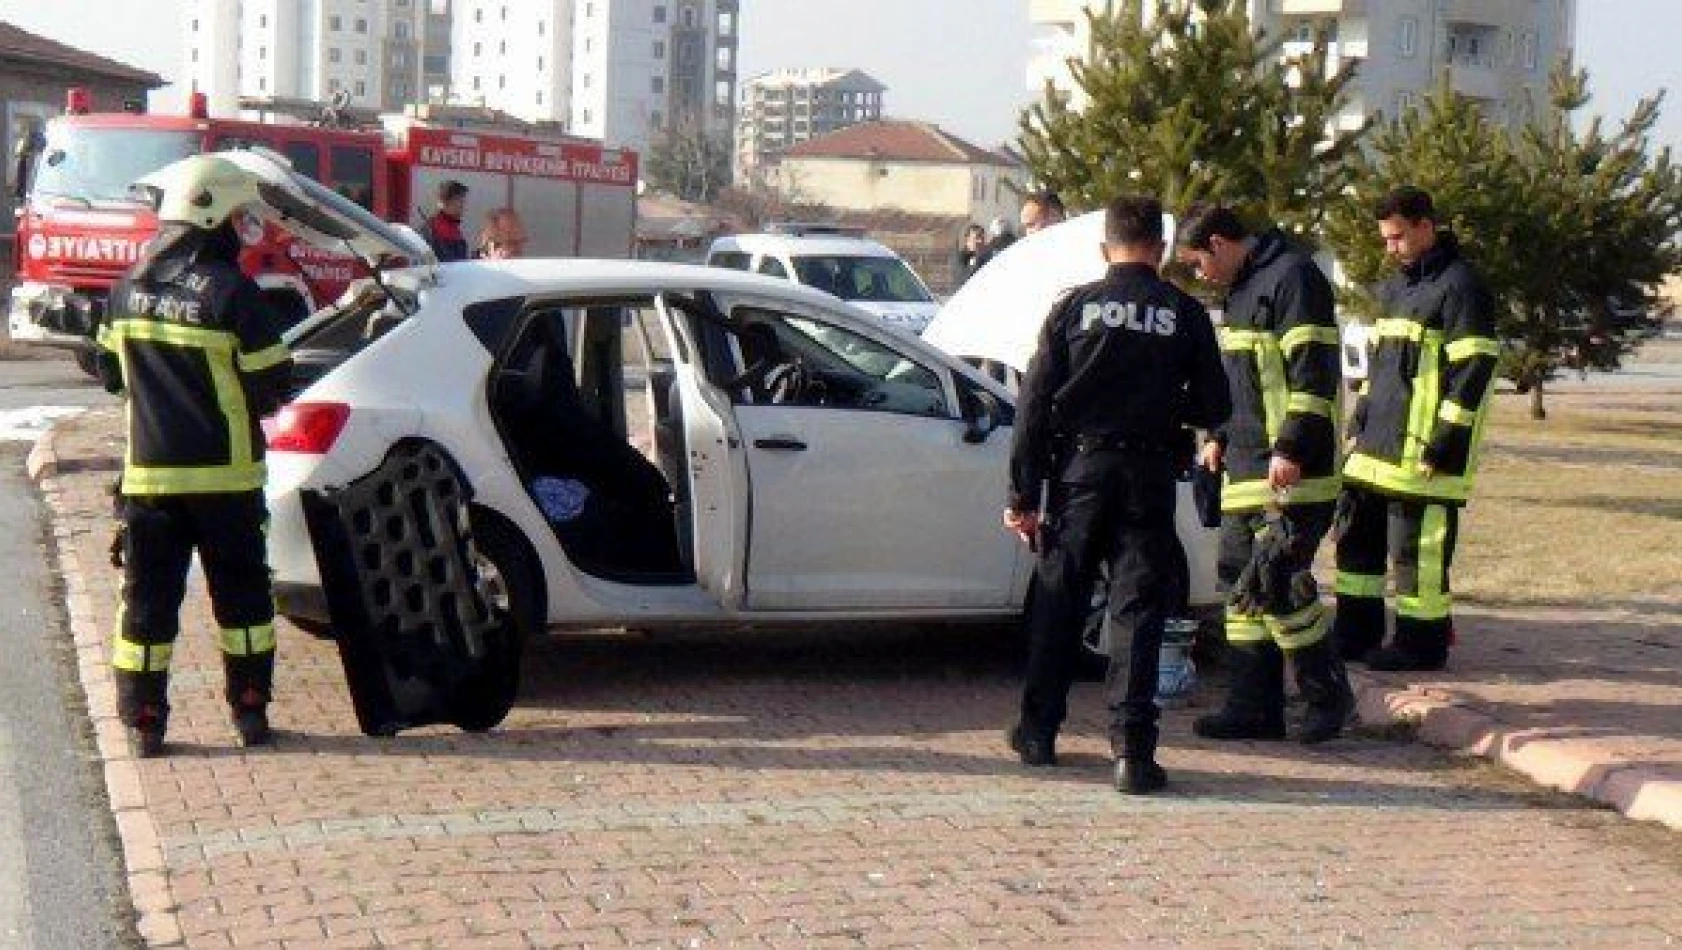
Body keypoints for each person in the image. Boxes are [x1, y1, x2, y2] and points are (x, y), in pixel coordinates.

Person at [1003, 195, 1230, 794]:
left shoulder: (1073, 308)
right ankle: (1132, 753)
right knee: (1137, 613)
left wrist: (1023, 493)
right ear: (1158, 248)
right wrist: (1167, 410)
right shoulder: (1183, 312)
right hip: (1147, 477)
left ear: (1105, 250)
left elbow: (1032, 406)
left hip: (1078, 474)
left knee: (1060, 602)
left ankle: (1037, 732)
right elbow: (1215, 405)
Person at [95, 155, 294, 757]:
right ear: (213, 217)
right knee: (244, 605)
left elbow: (111, 377)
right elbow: (274, 385)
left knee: (148, 605)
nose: (242, 226)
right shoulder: (233, 293)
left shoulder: (127, 291)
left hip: (150, 479)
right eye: (238, 215)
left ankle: (146, 721)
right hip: (227, 482)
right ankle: (250, 713)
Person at [1175, 204, 1354, 745]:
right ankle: (1253, 706)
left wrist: (1293, 445)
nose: (1200, 274)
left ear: (1225, 243)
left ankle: (1329, 693)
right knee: (1238, 584)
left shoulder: (1295, 280)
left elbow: (1312, 376)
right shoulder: (1241, 292)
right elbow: (1241, 384)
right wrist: (1220, 439)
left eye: (1200, 262)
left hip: (1293, 471)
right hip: (1246, 468)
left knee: (1275, 581)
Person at [1331, 186, 1499, 672]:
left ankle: (1421, 645)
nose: (1391, 247)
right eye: (1385, 239)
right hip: (1375, 447)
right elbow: (1380, 368)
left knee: (1417, 553)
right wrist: (1359, 421)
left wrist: (1446, 442)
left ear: (1427, 225)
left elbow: (1473, 371)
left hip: (1424, 453)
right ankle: (1356, 633)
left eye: (1398, 236)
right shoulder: (1395, 289)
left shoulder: (1461, 287)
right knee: (1355, 542)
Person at [418, 179, 470, 262]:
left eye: (463, 201)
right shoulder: (432, 228)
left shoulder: (453, 227)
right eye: (459, 201)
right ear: (445, 202)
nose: (463, 206)